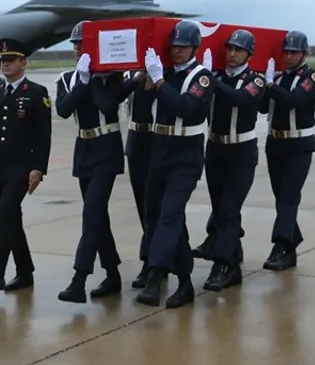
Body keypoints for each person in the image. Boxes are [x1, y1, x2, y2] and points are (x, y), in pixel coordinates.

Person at [136, 20, 213, 308]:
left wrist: (158, 82)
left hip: (186, 153)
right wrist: (144, 80)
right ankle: (185, 282)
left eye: (182, 46)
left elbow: (185, 107)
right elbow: (143, 108)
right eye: (174, 46)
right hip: (160, 149)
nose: (177, 51)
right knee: (160, 217)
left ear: (194, 47)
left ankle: (156, 276)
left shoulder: (201, 76)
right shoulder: (163, 74)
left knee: (170, 213)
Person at [53, 20, 126, 303]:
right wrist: (82, 82)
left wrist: (93, 79)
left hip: (107, 147)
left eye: (81, 43)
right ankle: (112, 273)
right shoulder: (68, 78)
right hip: (83, 147)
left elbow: (107, 106)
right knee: (98, 216)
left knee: (91, 213)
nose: (76, 49)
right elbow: (63, 109)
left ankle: (79, 279)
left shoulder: (112, 77)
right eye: (74, 44)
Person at [191, 30, 267, 291]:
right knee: (221, 210)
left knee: (229, 210)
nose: (232, 54)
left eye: (239, 50)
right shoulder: (217, 77)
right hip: (215, 149)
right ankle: (232, 259)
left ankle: (222, 266)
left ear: (249, 54)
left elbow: (238, 98)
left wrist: (210, 80)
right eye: (230, 49)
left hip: (241, 153)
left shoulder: (255, 80)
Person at [0, 38, 51, 293]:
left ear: (23, 62)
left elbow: (44, 134)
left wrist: (39, 167)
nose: (5, 65)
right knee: (12, 220)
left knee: (5, 215)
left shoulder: (36, 92)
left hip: (22, 168)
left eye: (10, 60)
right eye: (3, 61)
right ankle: (25, 271)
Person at [259, 30, 315, 271]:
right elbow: (264, 109)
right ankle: (291, 246)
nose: (288, 56)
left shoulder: (311, 77)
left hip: (299, 145)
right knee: (281, 198)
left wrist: (271, 85)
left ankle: (280, 247)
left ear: (304, 53)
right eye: (286, 51)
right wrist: (264, 85)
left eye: (294, 52)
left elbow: (295, 100)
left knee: (288, 197)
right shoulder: (279, 77)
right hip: (275, 143)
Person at [120, 68, 157, 290]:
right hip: (136, 141)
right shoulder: (129, 75)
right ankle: (154, 259)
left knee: (155, 208)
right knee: (143, 207)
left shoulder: (161, 72)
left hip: (156, 141)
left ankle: (153, 262)